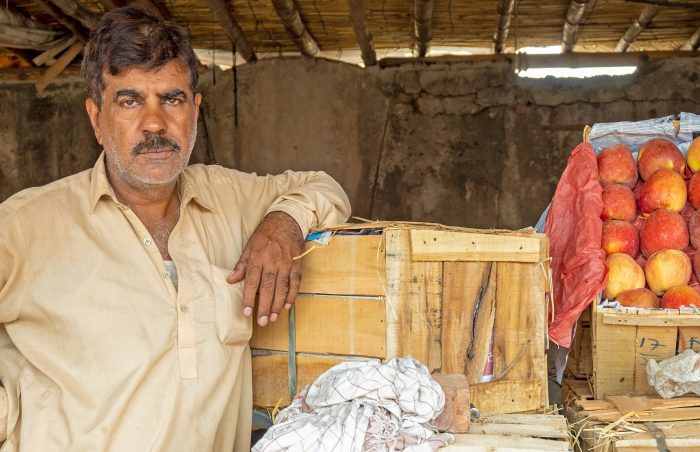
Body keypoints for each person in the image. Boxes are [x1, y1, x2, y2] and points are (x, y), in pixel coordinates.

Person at [0, 5, 350, 451]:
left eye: (172, 98)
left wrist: (283, 224)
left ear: (195, 111)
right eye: (129, 101)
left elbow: (325, 187)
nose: (154, 123)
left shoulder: (229, 198)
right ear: (96, 119)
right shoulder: (25, 226)